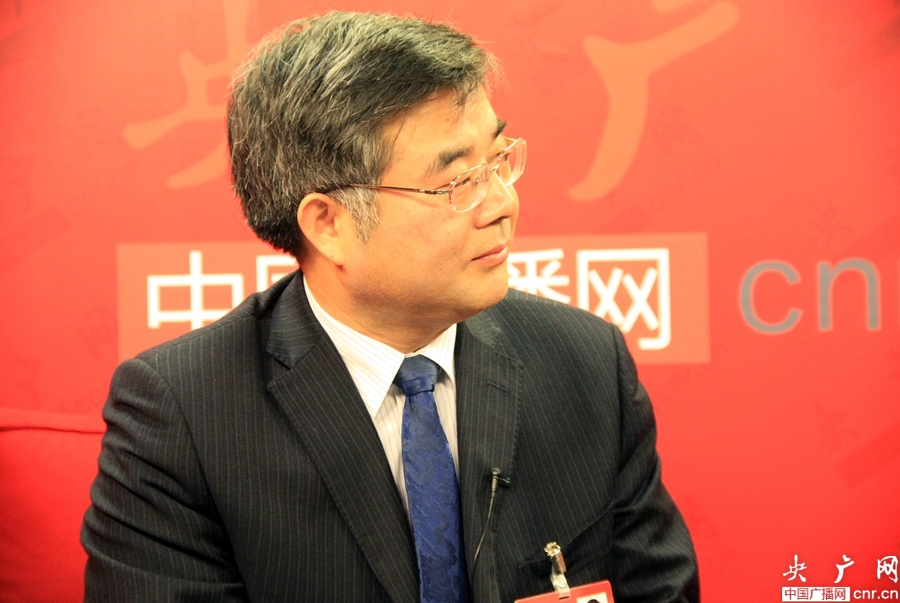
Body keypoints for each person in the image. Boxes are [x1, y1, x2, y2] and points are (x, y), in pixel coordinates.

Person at [82, 11, 698, 603]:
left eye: (498, 159)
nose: (501, 204)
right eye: (457, 181)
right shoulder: (184, 417)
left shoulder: (585, 365)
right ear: (328, 224)